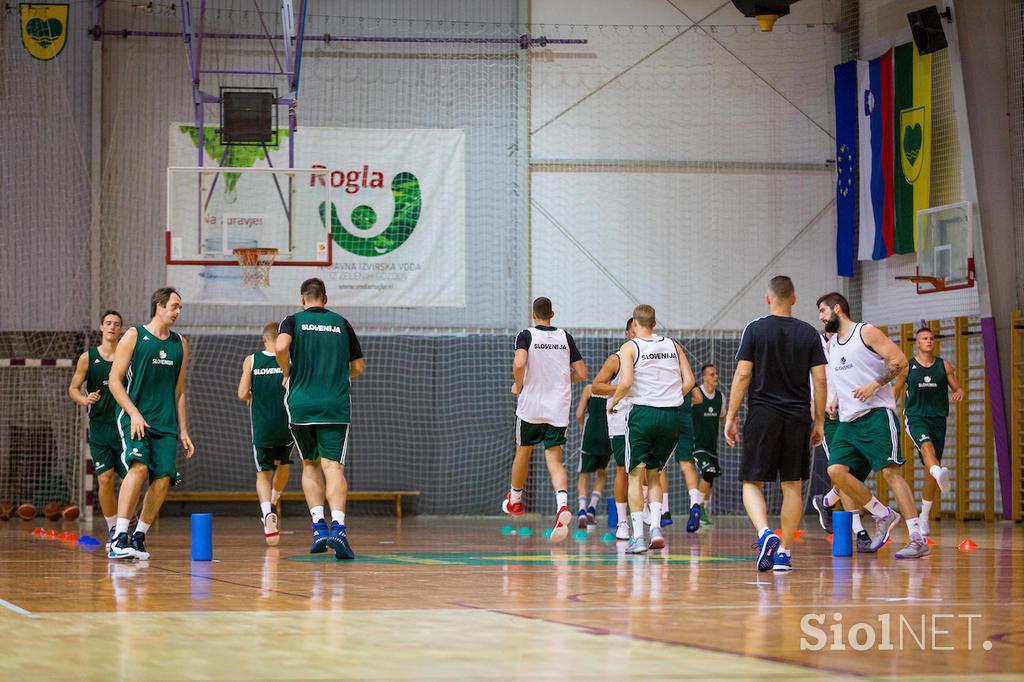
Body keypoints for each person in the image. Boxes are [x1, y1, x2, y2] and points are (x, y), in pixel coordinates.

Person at [724, 276, 826, 572]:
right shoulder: (810, 333)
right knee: (792, 484)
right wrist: (818, 420)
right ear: (794, 298)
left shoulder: (755, 329)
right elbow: (819, 379)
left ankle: (764, 532)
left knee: (751, 482)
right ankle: (784, 552)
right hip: (797, 417)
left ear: (768, 298)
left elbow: (743, 375)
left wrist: (730, 415)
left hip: (763, 414)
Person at [816, 291, 928, 560]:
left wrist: (875, 384)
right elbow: (844, 380)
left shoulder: (865, 332)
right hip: (848, 421)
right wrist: (833, 400)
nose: (820, 317)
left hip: (876, 414)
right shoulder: (832, 346)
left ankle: (916, 537)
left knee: (891, 473)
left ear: (838, 309)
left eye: (823, 311)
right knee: (836, 471)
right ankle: (883, 514)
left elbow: (899, 361)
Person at [276, 278, 364, 561]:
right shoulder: (341, 323)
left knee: (309, 464)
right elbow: (359, 367)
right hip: (334, 405)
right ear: (324, 299)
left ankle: (318, 529)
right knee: (333, 468)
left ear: (303, 299)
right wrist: (337, 376)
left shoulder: (292, 321)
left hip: (301, 405)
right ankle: (338, 529)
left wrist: (288, 372)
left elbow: (280, 347)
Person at [108, 288, 195, 560]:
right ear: (159, 306)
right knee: (140, 468)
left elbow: (180, 391)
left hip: (166, 423)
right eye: (174, 306)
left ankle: (139, 537)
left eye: (180, 307)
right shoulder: (134, 336)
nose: (178, 311)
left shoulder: (180, 343)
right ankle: (119, 536)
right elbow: (114, 381)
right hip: (137, 418)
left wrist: (183, 429)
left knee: (163, 478)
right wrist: (133, 413)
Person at [608, 304, 695, 554]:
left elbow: (625, 382)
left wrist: (614, 402)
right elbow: (689, 381)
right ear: (655, 323)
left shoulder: (629, 347)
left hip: (642, 414)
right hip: (671, 415)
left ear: (634, 325)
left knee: (635, 474)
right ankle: (656, 529)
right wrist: (669, 397)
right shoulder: (673, 345)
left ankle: (637, 537)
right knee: (655, 473)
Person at [503, 297, 587, 543]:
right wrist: (561, 381)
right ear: (553, 313)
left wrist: (518, 385)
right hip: (558, 407)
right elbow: (582, 373)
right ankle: (562, 505)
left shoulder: (526, 335)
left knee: (523, 452)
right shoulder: (565, 336)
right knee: (555, 459)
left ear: (533, 314)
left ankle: (515, 500)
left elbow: (519, 362)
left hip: (531, 406)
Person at [893, 326, 963, 539]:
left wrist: (959, 392)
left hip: (938, 419)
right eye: (925, 338)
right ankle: (937, 471)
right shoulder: (908, 367)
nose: (929, 341)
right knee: (926, 447)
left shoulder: (944, 365)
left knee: (931, 467)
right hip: (915, 418)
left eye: (932, 338)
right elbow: (894, 393)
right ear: (917, 342)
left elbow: (957, 388)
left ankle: (924, 517)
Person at [810, 330, 874, 552]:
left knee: (854, 473)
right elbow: (814, 390)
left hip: (854, 416)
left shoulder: (850, 350)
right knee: (843, 473)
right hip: (831, 420)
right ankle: (861, 532)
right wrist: (817, 418)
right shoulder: (816, 351)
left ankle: (826, 501)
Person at [69, 310, 127, 549]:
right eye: (108, 323)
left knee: (129, 480)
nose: (112, 327)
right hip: (100, 427)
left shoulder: (128, 357)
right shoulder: (88, 358)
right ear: (101, 327)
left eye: (116, 324)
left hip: (124, 426)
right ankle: (114, 528)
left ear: (121, 329)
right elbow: (73, 388)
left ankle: (126, 523)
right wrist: (85, 399)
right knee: (104, 479)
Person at [238, 322, 294, 546]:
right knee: (284, 465)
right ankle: (275, 499)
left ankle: (266, 511)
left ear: (264, 339)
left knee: (263, 473)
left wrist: (252, 399)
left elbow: (242, 393)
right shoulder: (289, 361)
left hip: (262, 426)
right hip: (287, 426)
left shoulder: (252, 360)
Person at [590, 317, 637, 540]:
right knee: (622, 470)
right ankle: (622, 522)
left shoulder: (651, 358)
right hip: (620, 418)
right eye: (634, 331)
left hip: (644, 417)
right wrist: (622, 387)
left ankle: (650, 514)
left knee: (647, 469)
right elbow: (596, 385)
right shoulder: (616, 359)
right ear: (628, 334)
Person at [689, 364, 726, 526]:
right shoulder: (696, 396)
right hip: (696, 444)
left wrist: (731, 427)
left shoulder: (720, 397)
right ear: (704, 377)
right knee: (708, 472)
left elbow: (723, 417)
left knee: (710, 479)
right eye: (712, 374)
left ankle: (703, 512)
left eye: (716, 373)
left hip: (712, 446)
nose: (715, 376)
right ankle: (698, 506)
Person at [574, 382, 610, 528]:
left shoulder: (590, 388)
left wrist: (582, 426)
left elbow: (578, 414)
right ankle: (592, 509)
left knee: (584, 475)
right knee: (602, 473)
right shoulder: (615, 389)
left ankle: (582, 510)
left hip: (590, 434)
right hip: (607, 436)